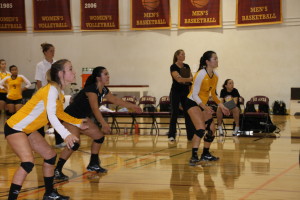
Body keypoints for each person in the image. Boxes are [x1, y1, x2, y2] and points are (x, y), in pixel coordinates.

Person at [5, 59, 88, 200]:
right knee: (27, 163)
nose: (74, 72)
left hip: (28, 129)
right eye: (70, 69)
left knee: (50, 156)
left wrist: (78, 123)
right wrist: (66, 134)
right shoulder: (51, 90)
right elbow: (51, 115)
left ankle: (49, 193)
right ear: (60, 73)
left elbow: (59, 114)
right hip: (15, 127)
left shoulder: (58, 91)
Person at [54, 66, 142, 180]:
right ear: (98, 77)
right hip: (70, 118)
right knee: (75, 144)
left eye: (108, 73)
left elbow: (116, 100)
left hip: (82, 119)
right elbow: (95, 109)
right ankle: (57, 170)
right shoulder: (91, 89)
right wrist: (104, 124)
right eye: (105, 74)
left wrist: (133, 106)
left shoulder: (104, 90)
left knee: (99, 137)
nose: (108, 76)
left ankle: (93, 164)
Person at [186, 51, 230, 166]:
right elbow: (195, 95)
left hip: (202, 104)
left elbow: (213, 94)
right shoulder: (200, 74)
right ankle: (194, 156)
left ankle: (205, 154)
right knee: (200, 129)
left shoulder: (215, 76)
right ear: (207, 61)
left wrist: (222, 106)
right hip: (192, 102)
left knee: (211, 129)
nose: (217, 60)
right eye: (214, 58)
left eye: (217, 58)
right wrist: (205, 107)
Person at [35, 42, 65, 147]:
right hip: (44, 94)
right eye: (51, 51)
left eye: (54, 51)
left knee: (57, 117)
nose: (53, 53)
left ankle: (59, 141)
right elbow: (38, 81)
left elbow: (61, 79)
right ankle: (39, 141)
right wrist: (40, 95)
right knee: (41, 118)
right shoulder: (40, 65)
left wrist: (61, 93)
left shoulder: (57, 64)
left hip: (56, 93)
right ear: (45, 52)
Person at [168, 49, 195, 142]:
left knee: (188, 113)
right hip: (175, 92)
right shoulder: (173, 67)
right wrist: (187, 79)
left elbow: (192, 79)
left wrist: (186, 79)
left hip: (185, 92)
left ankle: (190, 136)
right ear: (177, 56)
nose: (184, 56)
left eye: (184, 54)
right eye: (182, 54)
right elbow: (178, 80)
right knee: (174, 113)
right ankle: (171, 135)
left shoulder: (186, 66)